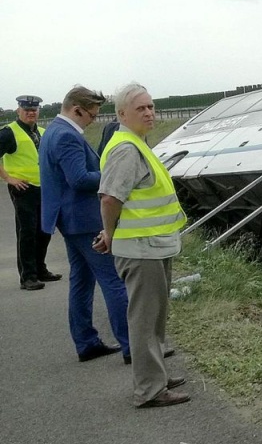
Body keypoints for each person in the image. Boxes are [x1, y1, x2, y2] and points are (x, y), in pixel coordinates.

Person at [96, 82, 189, 408]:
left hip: (154, 245)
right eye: (141, 108)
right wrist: (109, 234)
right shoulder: (126, 149)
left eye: (151, 106)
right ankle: (149, 389)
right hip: (140, 248)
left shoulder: (137, 143)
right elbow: (109, 198)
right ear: (122, 114)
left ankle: (157, 375)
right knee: (144, 320)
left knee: (156, 317)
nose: (150, 112)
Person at [38, 86, 131, 362]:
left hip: (69, 220)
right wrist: (112, 174)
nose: (93, 120)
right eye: (91, 115)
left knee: (81, 281)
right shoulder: (66, 136)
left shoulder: (52, 131)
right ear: (76, 110)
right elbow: (78, 179)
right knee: (114, 280)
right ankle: (133, 347)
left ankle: (86, 342)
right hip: (85, 220)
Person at [0, 95, 60, 291]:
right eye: (26, 109)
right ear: (18, 110)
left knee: (44, 231)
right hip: (23, 189)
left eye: (34, 109)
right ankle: (28, 277)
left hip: (43, 188)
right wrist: (9, 178)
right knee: (27, 232)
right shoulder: (10, 132)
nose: (31, 112)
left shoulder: (42, 132)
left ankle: (40, 269)